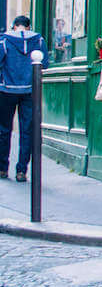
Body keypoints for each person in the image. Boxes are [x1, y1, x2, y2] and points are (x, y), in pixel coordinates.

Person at [0, 16, 50, 182]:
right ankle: (22, 170)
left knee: (4, 130)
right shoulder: (39, 40)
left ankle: (2, 169)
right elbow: (46, 64)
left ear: (15, 26)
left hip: (7, 90)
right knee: (27, 131)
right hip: (30, 90)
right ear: (29, 27)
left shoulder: (5, 41)